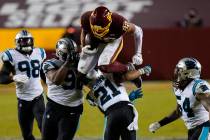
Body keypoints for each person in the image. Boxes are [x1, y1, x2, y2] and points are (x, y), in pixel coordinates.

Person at [0, 30, 46, 140]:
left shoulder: (39, 52)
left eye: (28, 41)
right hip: (23, 99)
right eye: (23, 41)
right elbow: (1, 77)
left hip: (37, 97)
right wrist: (13, 77)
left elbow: (42, 73)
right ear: (17, 42)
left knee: (44, 128)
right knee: (26, 134)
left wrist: (51, 84)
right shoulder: (11, 55)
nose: (26, 43)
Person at [149, 57, 210, 140]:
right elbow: (179, 111)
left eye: (179, 70)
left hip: (204, 127)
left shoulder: (197, 87)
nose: (176, 72)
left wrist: (207, 131)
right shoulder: (178, 88)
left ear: (188, 73)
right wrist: (160, 123)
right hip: (192, 130)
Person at [85, 65, 152, 140]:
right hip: (126, 109)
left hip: (111, 116)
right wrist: (141, 71)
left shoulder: (90, 97)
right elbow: (127, 76)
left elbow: (106, 111)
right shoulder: (109, 75)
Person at [78, 5, 143, 77]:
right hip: (95, 40)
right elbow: (84, 31)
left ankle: (128, 68)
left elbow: (138, 31)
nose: (98, 31)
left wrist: (138, 53)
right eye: (95, 28)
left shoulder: (120, 23)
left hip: (113, 41)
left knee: (104, 66)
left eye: (101, 29)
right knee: (82, 71)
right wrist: (83, 46)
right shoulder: (86, 18)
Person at [42, 37, 84, 140]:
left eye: (73, 54)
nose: (71, 57)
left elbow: (92, 80)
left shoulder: (82, 64)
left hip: (73, 108)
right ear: (59, 53)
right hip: (54, 106)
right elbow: (56, 80)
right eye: (68, 54)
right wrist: (67, 63)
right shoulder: (50, 63)